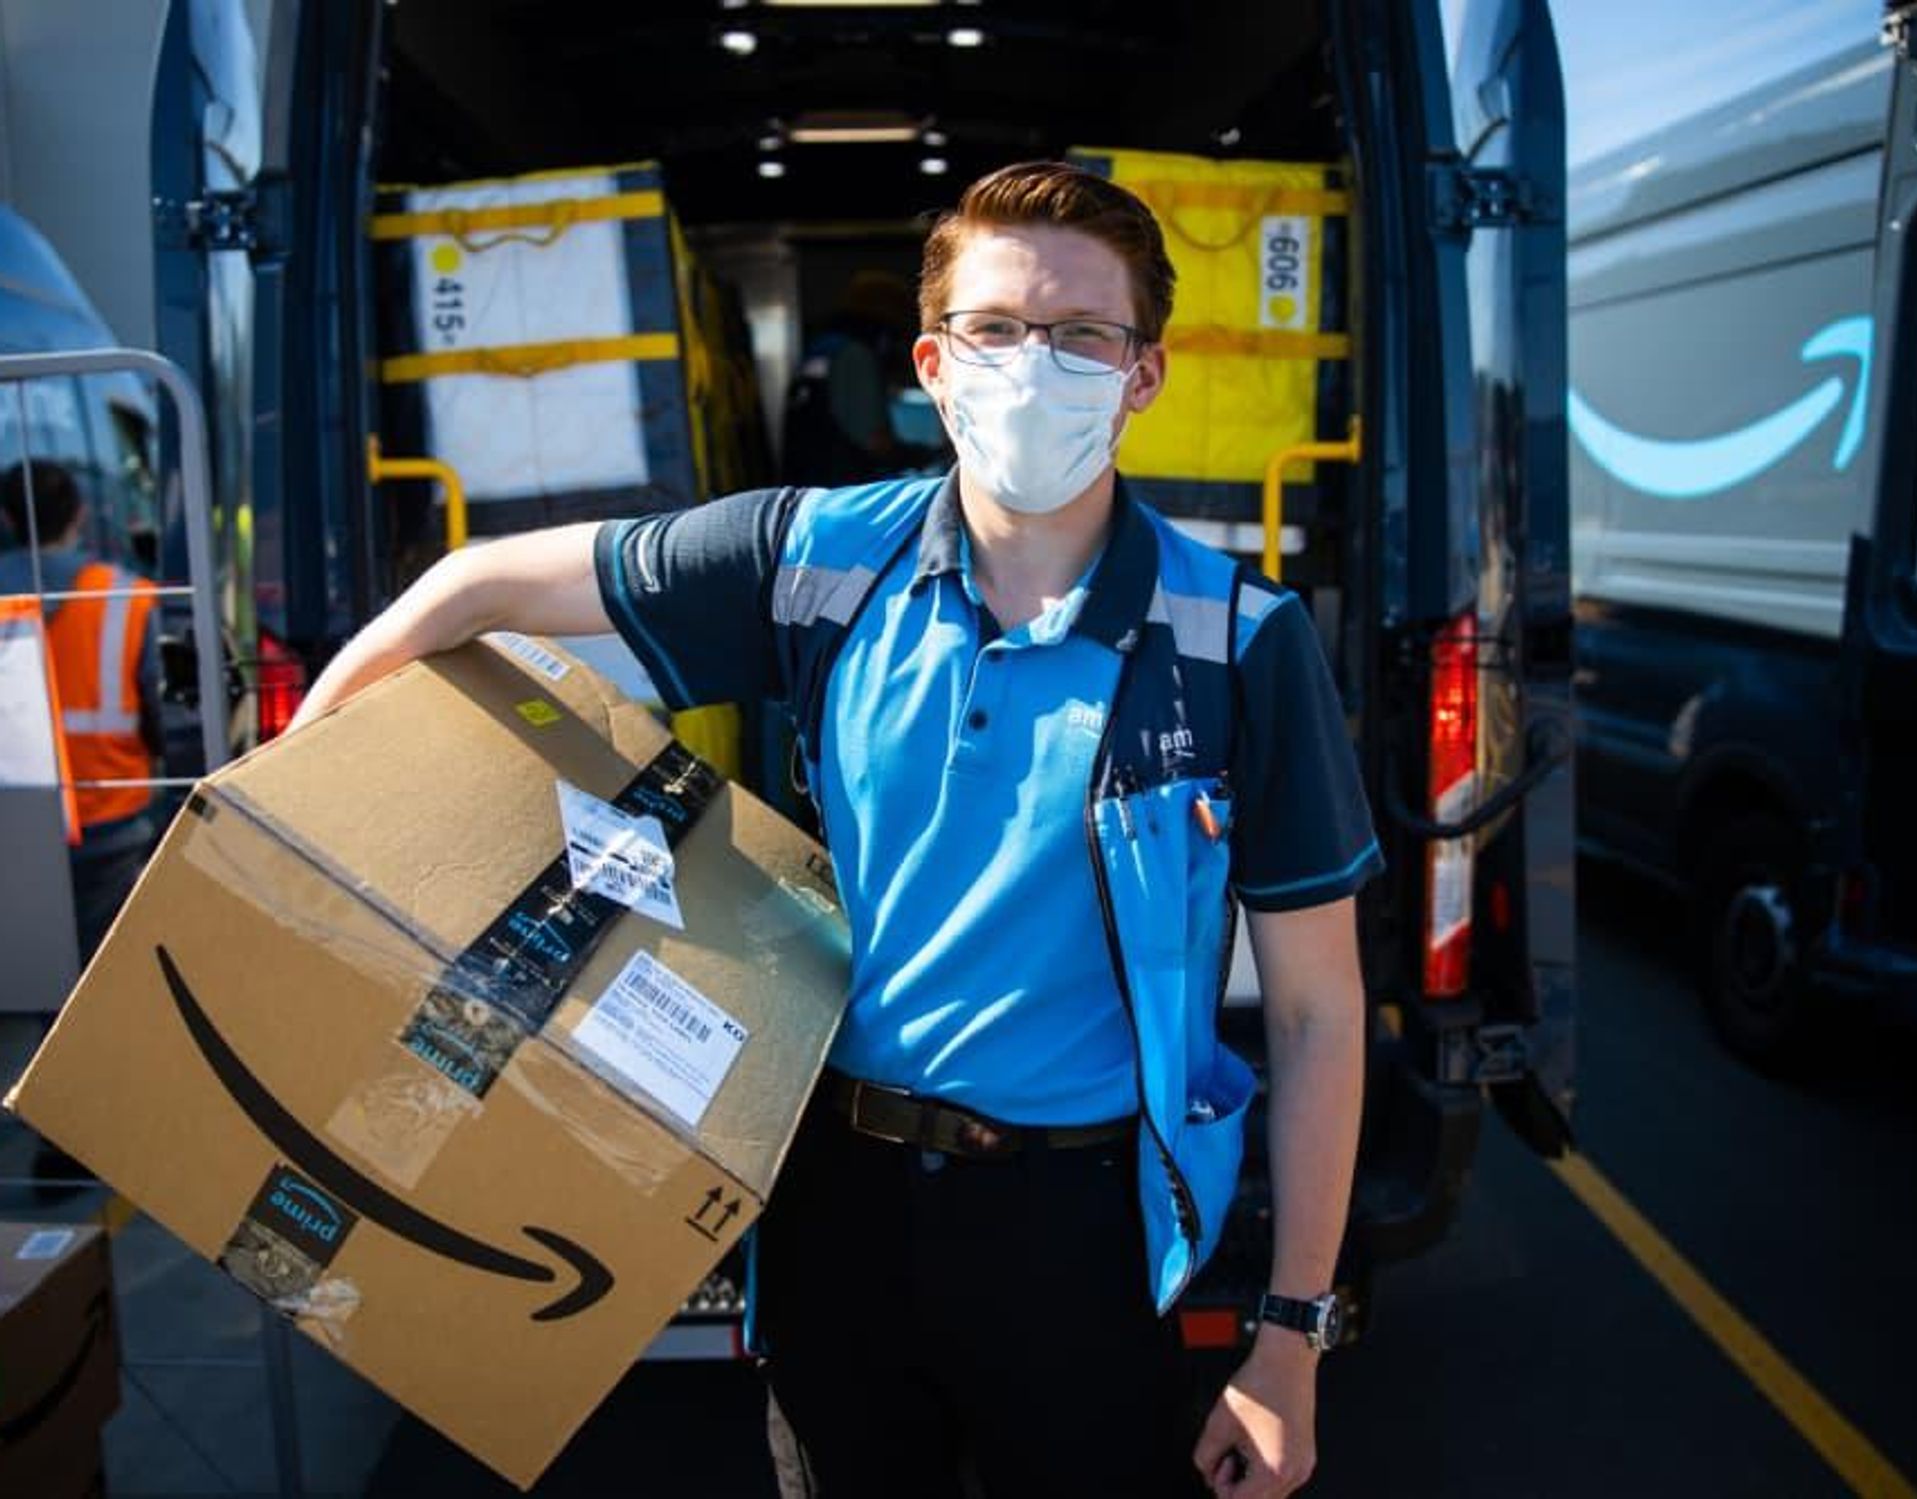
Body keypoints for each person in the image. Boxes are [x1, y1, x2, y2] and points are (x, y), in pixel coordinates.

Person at [289, 161, 1381, 1499]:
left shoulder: (1238, 640)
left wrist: (1289, 1336)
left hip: (1081, 1230)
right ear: (934, 360)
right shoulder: (819, 560)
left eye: (1083, 335)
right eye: (995, 329)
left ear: (1144, 373)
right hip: (834, 1204)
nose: (1036, 367)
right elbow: (469, 586)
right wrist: (287, 798)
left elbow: (1322, 1013)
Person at [0, 460, 163, 964]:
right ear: (81, 514)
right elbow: (162, 718)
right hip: (109, 824)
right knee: (100, 976)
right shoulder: (129, 598)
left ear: (8, 519)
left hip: (13, 822)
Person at [782, 267, 922, 484]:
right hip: (844, 491)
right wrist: (921, 455)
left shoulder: (822, 348)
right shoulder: (855, 356)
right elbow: (876, 442)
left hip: (807, 490)